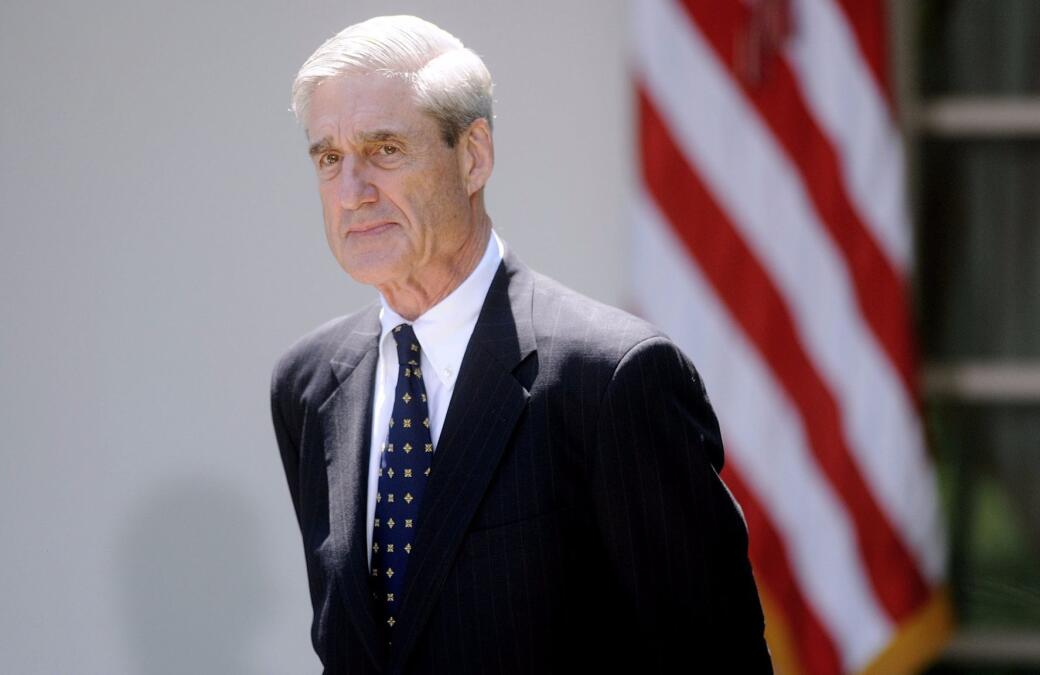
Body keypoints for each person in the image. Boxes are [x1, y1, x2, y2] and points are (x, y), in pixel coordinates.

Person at [270, 15, 772, 674]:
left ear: (473, 155)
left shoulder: (612, 378)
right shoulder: (309, 386)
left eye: (385, 149)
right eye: (329, 158)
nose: (352, 192)